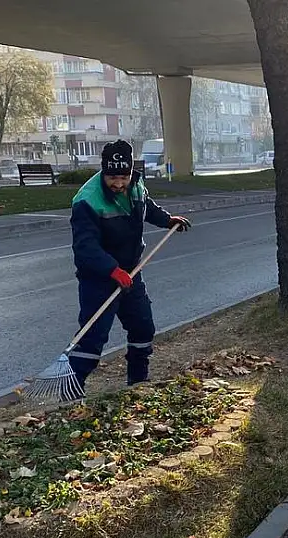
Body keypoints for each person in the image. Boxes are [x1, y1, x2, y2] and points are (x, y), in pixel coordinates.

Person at [68, 140, 192, 389]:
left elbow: (146, 208)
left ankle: (137, 381)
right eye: (112, 177)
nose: (118, 184)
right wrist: (112, 270)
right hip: (99, 279)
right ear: (104, 172)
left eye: (123, 177)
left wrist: (167, 220)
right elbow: (85, 247)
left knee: (143, 326)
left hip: (131, 273)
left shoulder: (136, 185)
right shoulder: (87, 201)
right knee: (92, 338)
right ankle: (72, 389)